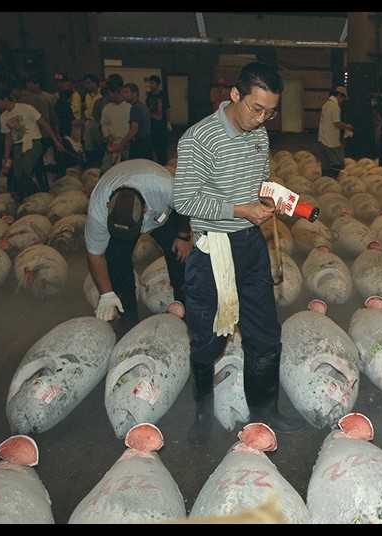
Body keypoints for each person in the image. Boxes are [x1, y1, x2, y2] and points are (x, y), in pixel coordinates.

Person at [173, 61, 305, 447]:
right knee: (208, 339)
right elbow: (185, 200)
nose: (262, 119)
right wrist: (240, 209)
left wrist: (269, 197)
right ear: (235, 95)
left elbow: (259, 180)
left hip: (250, 244)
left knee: (265, 333)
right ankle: (202, 415)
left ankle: (265, 412)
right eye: (256, 108)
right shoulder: (199, 138)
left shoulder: (258, 134)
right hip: (213, 250)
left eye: (270, 112)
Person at [85, 159, 192, 338]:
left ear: (144, 210)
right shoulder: (98, 209)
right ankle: (128, 317)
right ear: (108, 207)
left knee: (180, 255)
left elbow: (186, 203)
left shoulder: (164, 187)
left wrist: (183, 236)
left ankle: (185, 308)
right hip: (123, 192)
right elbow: (95, 256)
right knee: (116, 261)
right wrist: (106, 295)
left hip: (161, 215)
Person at [0, 87, 65, 200]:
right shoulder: (3, 117)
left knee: (25, 168)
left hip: (32, 142)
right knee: (17, 173)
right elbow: (8, 137)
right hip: (17, 146)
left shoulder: (26, 108)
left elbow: (44, 124)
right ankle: (33, 193)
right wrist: (6, 155)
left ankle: (24, 194)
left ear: (5, 99)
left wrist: (56, 141)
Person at [110, 83, 153, 161]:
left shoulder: (135, 108)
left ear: (135, 94)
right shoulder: (142, 106)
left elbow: (134, 129)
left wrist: (121, 145)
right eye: (123, 92)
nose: (124, 95)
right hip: (147, 142)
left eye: (126, 92)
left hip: (139, 145)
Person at [317, 86, 353, 179]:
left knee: (325, 163)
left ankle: (325, 180)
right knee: (338, 162)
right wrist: (347, 127)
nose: (342, 101)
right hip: (331, 140)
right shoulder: (334, 107)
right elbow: (336, 123)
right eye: (342, 98)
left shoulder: (326, 105)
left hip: (322, 137)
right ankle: (332, 180)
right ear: (339, 96)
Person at [100, 83, 132, 173]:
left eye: (109, 94)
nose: (108, 97)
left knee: (127, 169)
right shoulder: (107, 108)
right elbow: (104, 124)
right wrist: (108, 135)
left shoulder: (129, 107)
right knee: (105, 169)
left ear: (116, 92)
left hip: (126, 144)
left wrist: (125, 141)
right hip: (112, 142)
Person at [146, 75, 172, 165]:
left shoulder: (163, 95)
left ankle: (163, 163)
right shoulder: (149, 95)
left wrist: (169, 122)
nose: (150, 85)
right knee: (154, 144)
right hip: (152, 124)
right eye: (150, 83)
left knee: (162, 145)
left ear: (158, 84)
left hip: (161, 123)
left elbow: (167, 109)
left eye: (152, 83)